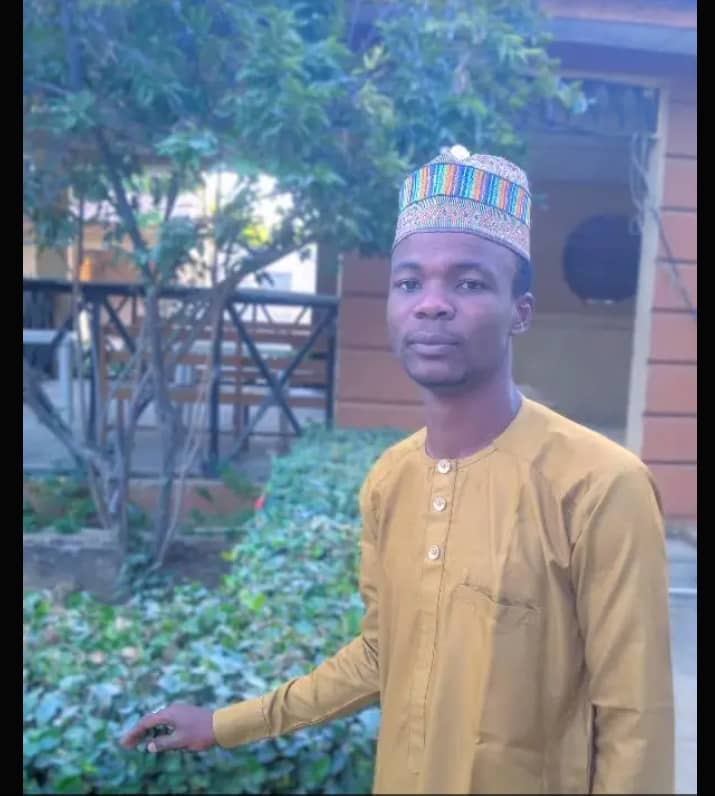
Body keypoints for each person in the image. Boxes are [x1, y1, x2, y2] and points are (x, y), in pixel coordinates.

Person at [121, 148, 675, 794]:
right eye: (410, 283)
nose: (431, 305)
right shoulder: (390, 481)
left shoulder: (601, 487)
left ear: (520, 310)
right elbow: (379, 657)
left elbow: (636, 725)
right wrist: (223, 724)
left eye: (469, 283)